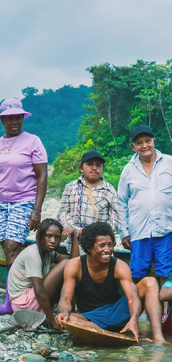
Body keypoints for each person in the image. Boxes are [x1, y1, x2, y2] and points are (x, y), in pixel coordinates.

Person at [58, 222, 165, 342]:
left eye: (110, 245)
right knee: (70, 318)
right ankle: (113, 336)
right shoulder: (74, 265)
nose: (107, 250)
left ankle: (158, 338)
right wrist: (64, 312)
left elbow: (132, 298)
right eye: (102, 245)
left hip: (117, 313)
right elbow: (65, 298)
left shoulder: (119, 266)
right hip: (91, 318)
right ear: (89, 247)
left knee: (150, 281)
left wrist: (134, 319)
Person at [118, 125, 172, 281]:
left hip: (166, 230)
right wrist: (123, 232)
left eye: (148, 141)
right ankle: (140, 305)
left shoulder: (169, 162)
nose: (144, 145)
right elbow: (120, 202)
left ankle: (166, 306)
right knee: (138, 275)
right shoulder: (128, 169)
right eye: (139, 143)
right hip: (139, 232)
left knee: (167, 275)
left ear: (154, 141)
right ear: (133, 147)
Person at [0, 98, 47, 267]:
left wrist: (36, 210)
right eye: (10, 118)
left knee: (11, 246)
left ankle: (15, 293)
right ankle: (15, 289)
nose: (15, 121)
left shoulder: (32, 141)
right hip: (1, 203)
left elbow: (42, 177)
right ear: (2, 120)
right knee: (5, 247)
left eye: (19, 117)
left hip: (23, 201)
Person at [6, 219, 71, 329]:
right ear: (40, 236)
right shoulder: (33, 253)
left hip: (30, 299)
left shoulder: (48, 252)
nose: (53, 241)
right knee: (64, 264)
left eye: (57, 237)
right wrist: (52, 321)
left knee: (69, 266)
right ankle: (54, 317)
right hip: (23, 304)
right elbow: (39, 292)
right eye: (48, 236)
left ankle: (66, 314)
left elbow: (74, 260)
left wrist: (73, 235)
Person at [58, 150, 120, 255]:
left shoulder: (109, 190)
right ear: (81, 168)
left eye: (98, 165)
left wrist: (98, 233)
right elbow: (62, 213)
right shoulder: (71, 187)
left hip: (100, 246)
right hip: (75, 245)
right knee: (77, 269)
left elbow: (116, 217)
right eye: (90, 164)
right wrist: (77, 230)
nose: (94, 168)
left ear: (103, 169)